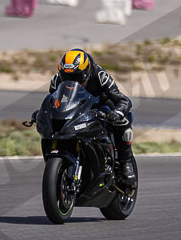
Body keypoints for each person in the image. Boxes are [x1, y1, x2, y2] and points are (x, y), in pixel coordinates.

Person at [35, 48, 136, 187]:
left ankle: (126, 162)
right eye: (66, 76)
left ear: (86, 72)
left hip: (101, 106)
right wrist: (44, 113)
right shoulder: (57, 80)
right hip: (78, 109)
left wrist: (117, 112)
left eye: (76, 76)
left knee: (122, 123)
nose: (71, 80)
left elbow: (123, 100)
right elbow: (54, 101)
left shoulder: (100, 76)